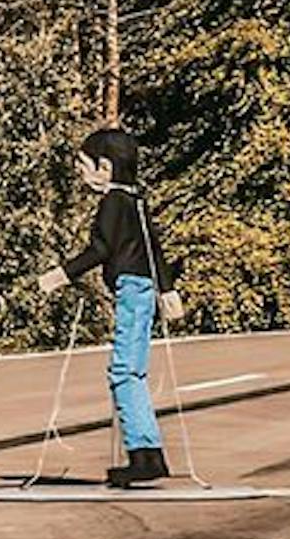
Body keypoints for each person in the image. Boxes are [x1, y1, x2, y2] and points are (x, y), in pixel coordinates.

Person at [34, 127, 182, 489]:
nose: (81, 175)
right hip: (143, 289)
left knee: (123, 373)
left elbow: (101, 250)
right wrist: (166, 289)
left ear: (105, 167)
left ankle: (144, 456)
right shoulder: (136, 200)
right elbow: (154, 249)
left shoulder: (113, 202)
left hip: (132, 290)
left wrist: (61, 275)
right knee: (133, 371)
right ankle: (148, 455)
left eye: (84, 167)